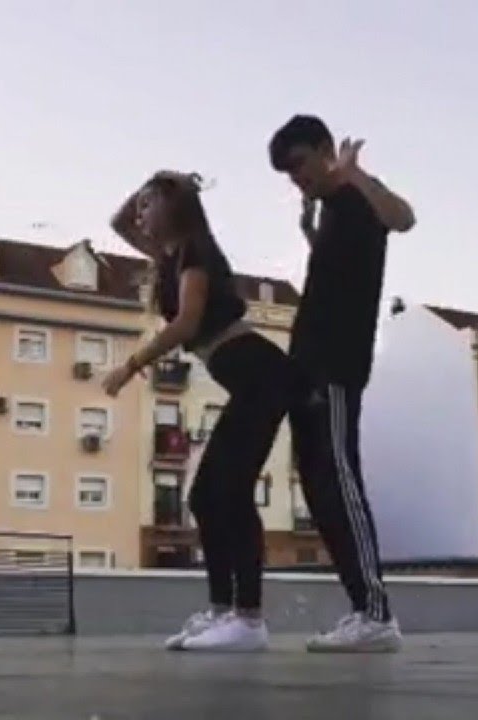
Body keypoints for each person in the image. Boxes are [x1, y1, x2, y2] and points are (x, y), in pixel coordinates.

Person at [103, 170, 292, 652]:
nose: (140, 216)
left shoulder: (195, 249)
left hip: (261, 377)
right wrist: (153, 186)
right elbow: (118, 222)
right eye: (141, 206)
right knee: (209, 497)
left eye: (149, 206)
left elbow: (187, 324)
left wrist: (130, 366)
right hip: (250, 381)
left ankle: (247, 619)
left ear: (174, 209)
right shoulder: (170, 256)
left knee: (227, 493)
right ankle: (223, 612)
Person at [268, 114, 417, 652]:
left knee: (339, 479)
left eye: (300, 165)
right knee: (319, 488)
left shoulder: (356, 196)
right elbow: (343, 272)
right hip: (309, 365)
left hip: (335, 365)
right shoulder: (331, 211)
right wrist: (312, 235)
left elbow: (404, 219)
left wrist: (356, 174)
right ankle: (362, 609)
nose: (297, 179)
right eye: (289, 174)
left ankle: (376, 614)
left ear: (324, 150)